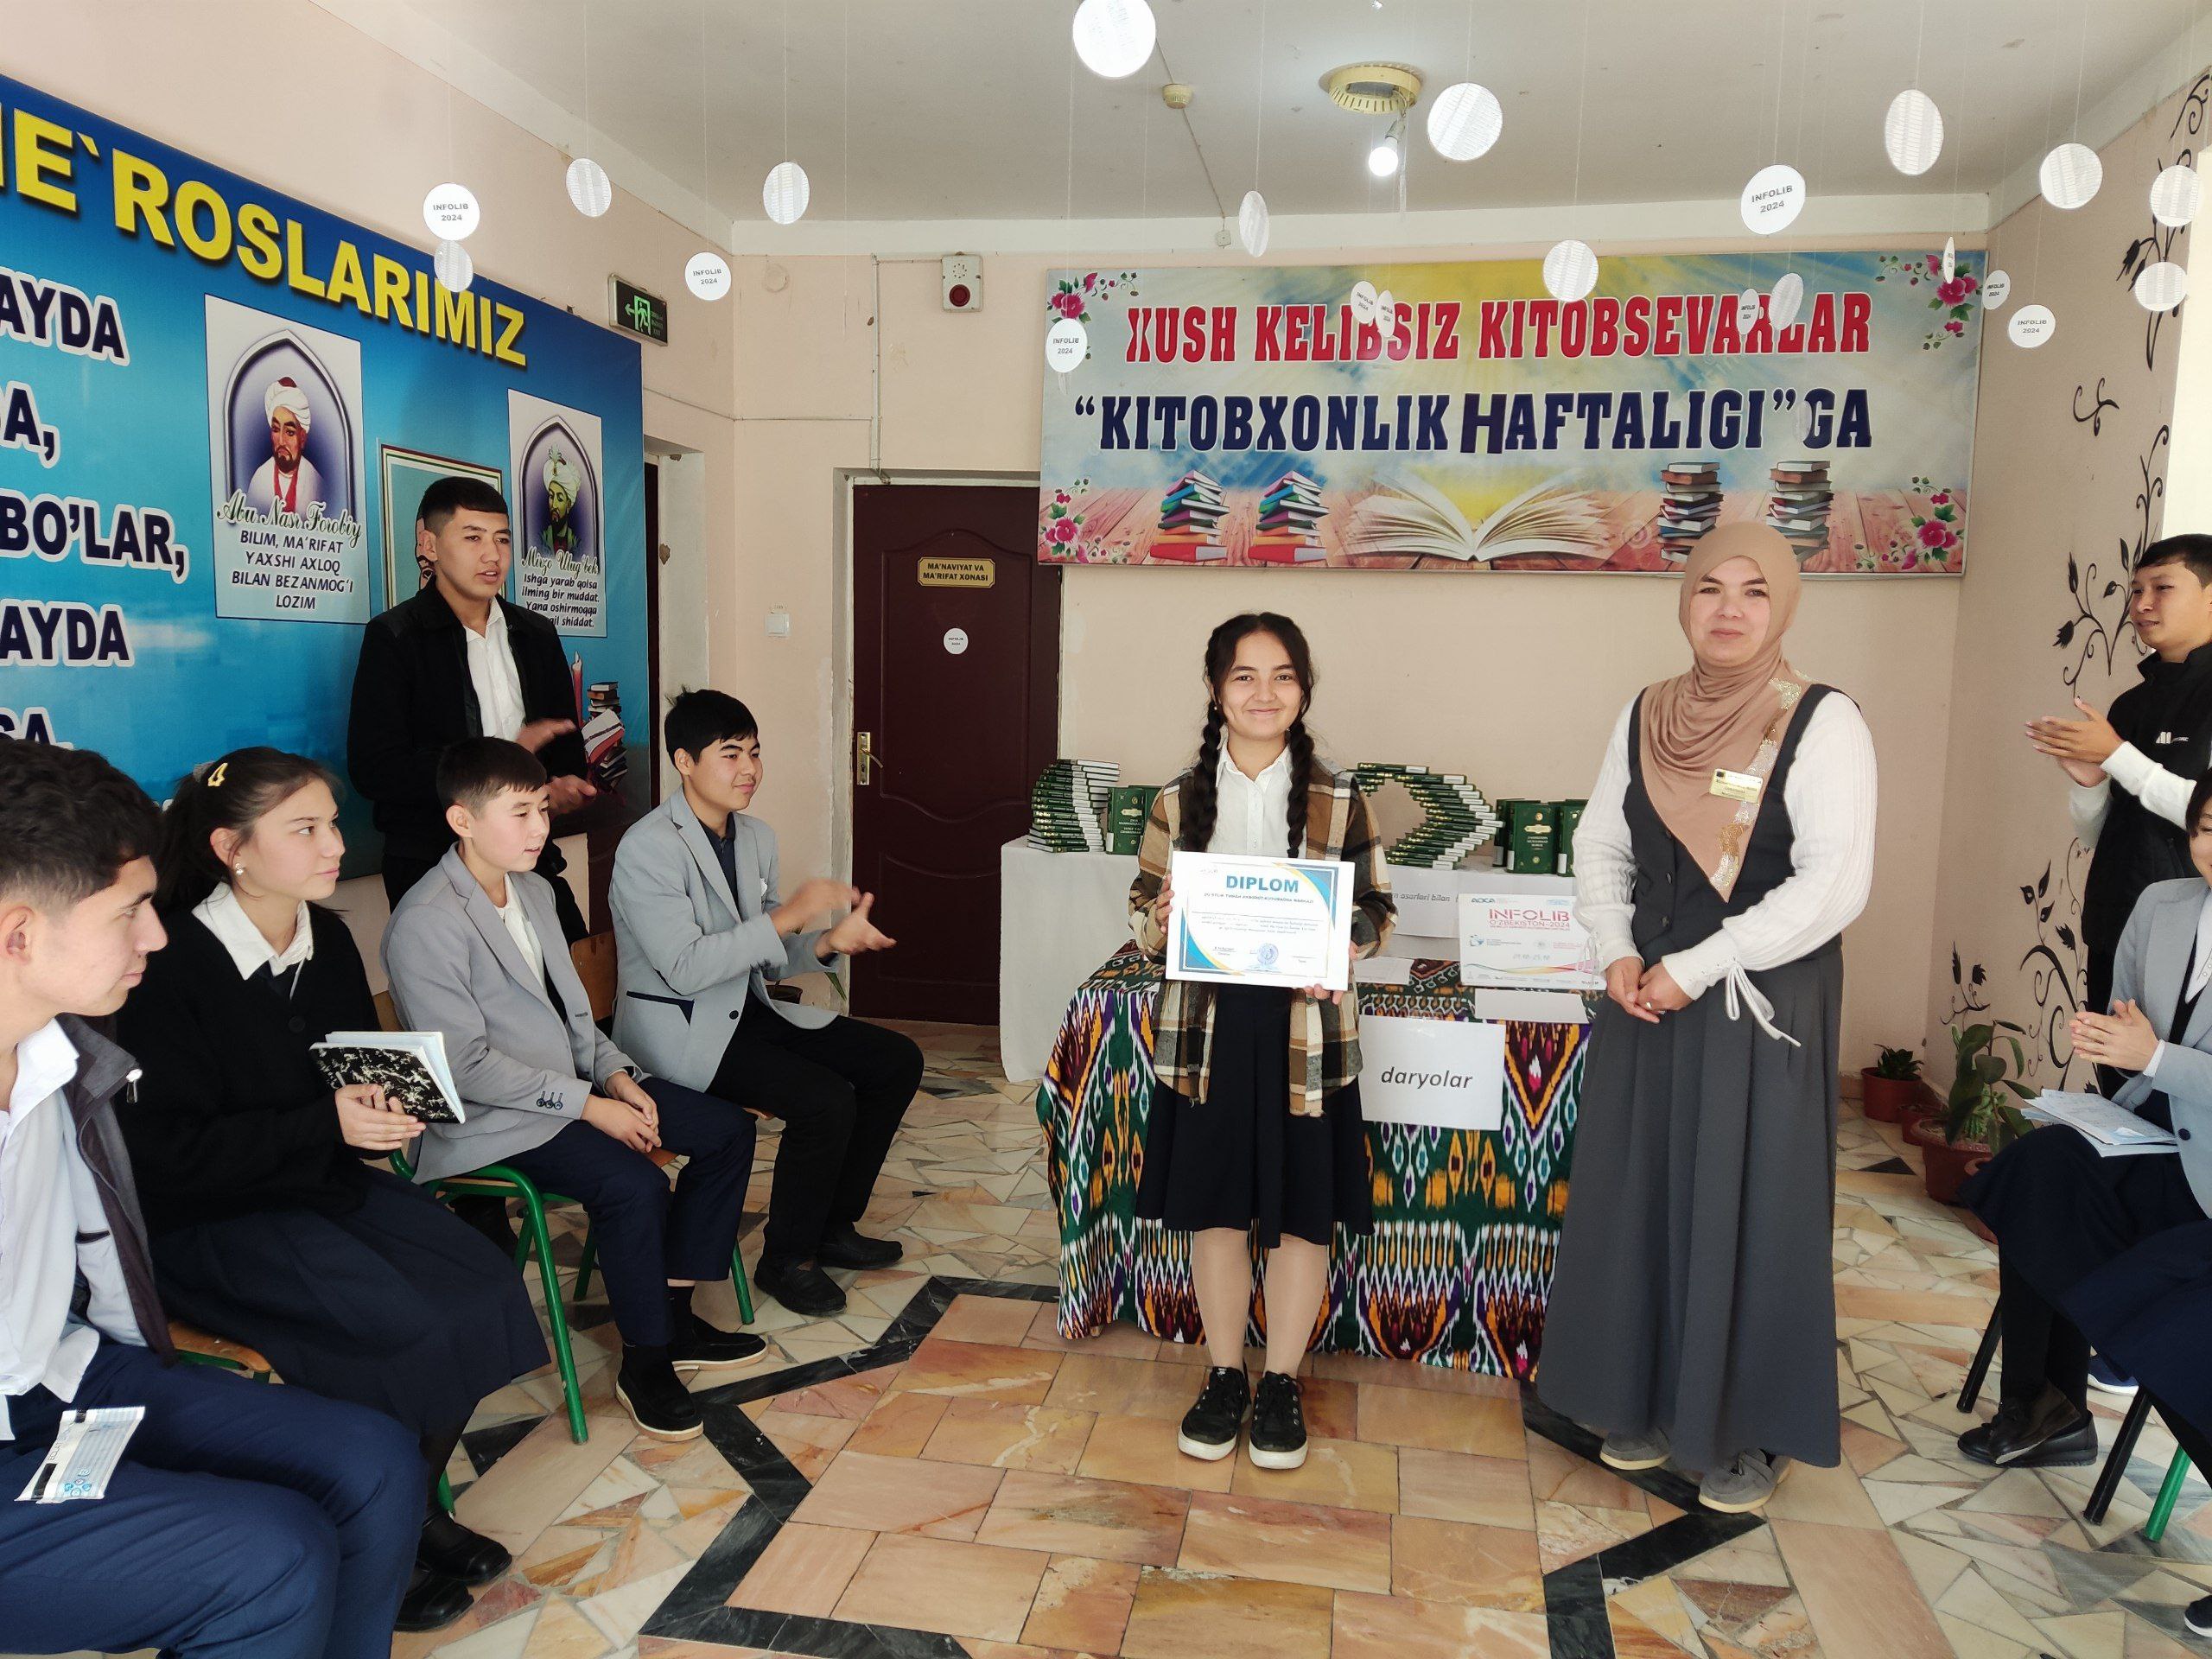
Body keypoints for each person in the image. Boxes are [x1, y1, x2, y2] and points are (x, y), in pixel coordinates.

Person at [111, 747, 550, 1633]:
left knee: (486, 1283)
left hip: (319, 1186)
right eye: (305, 829)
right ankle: (373, 1539)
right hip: (212, 1218)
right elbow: (164, 1154)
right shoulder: (171, 962)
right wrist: (327, 1124)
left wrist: (388, 1111)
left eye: (334, 824)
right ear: (232, 848)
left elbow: (350, 1071)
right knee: (400, 1329)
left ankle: (410, 1506)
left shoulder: (331, 937)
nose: (334, 846)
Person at [0, 738, 422, 1658]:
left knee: (376, 1462)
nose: (156, 936)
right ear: (19, 933)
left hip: (64, 1376)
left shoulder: (68, 1062)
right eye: (130, 912)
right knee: (272, 1555)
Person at [1536, 521, 1878, 1515]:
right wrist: (1615, 947)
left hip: (1753, 994)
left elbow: (1833, 881)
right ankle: (1639, 1397)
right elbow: (1601, 841)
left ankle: (1747, 1426)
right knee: (1641, 1191)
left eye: (1754, 591)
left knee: (1752, 1203)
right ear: (1682, 600)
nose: (1729, 609)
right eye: (1709, 588)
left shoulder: (1822, 722)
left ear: (1785, 606)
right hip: (1646, 992)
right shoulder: (1646, 714)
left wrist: (1698, 965)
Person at [384, 738, 764, 1442]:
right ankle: (646, 1362)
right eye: (520, 813)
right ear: (462, 820)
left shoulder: (534, 891)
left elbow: (575, 1019)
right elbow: (462, 1067)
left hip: (571, 1090)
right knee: (633, 1185)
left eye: (542, 810)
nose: (540, 829)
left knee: (726, 1131)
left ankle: (673, 1316)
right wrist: (592, 1106)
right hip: (490, 1121)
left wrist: (617, 1076)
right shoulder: (426, 921)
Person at [1128, 613, 1395, 1473]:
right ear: (1216, 692)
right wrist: (1160, 917)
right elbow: (1141, 918)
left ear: (1303, 692)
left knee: (1301, 1217)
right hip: (1206, 1036)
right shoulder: (1176, 800)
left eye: (1282, 676)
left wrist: (1344, 942)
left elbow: (1377, 909)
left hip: (1305, 1037)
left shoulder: (1338, 800)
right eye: (1244, 676)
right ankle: (1223, 1375)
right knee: (1216, 1211)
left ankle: (1280, 1381)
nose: (1263, 693)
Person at [609, 690, 918, 1319]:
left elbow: (767, 957)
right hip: (683, 1034)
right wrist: (786, 917)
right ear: (684, 762)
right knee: (824, 1099)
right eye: (730, 754)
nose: (749, 768)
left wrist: (826, 942)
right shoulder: (648, 848)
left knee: (896, 1061)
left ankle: (830, 1225)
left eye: (755, 752)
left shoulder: (755, 837)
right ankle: (787, 1259)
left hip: (747, 1012)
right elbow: (685, 968)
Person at [1954, 776, 2212, 1471]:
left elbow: (2150, 1050)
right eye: (2208, 828)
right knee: (2042, 1170)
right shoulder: (2162, 904)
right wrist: (2110, 1043)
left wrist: (2155, 1055)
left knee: (2153, 1302)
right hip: (2146, 1133)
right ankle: (2042, 1404)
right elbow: (2123, 1014)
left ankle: (2113, 1348)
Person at [347, 474, 597, 940]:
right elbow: (375, 769)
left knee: (570, 972)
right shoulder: (396, 636)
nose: (493, 556)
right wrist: (504, 759)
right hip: (432, 862)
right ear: (430, 545)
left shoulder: (536, 634)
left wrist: (558, 790)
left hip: (529, 860)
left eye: (502, 539)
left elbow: (565, 749)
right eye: (473, 538)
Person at [247, 375, 327, 517]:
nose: (281, 441)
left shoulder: (317, 484)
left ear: (302, 438)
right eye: (276, 430)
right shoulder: (259, 479)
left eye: (289, 432)